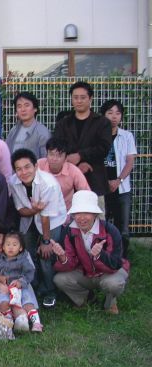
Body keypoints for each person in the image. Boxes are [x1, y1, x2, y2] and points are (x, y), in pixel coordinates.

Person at [52, 190, 129, 315]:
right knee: (59, 279)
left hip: (109, 272)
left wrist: (100, 255)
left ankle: (110, 303)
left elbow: (116, 263)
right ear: (73, 215)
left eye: (86, 213)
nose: (81, 218)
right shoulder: (69, 231)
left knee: (114, 284)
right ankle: (87, 300)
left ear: (95, 214)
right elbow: (71, 263)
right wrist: (62, 257)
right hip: (86, 272)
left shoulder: (110, 230)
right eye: (78, 213)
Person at [8, 148, 67, 308]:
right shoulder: (13, 182)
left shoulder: (49, 184)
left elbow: (46, 216)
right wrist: (35, 210)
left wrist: (46, 241)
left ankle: (50, 291)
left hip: (52, 220)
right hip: (29, 218)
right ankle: (33, 286)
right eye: (19, 169)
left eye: (27, 167)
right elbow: (21, 210)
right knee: (27, 252)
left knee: (46, 255)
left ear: (36, 166)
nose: (23, 172)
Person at [53, 81, 112, 210]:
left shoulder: (102, 122)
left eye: (83, 97)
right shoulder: (63, 124)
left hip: (95, 181)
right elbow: (57, 147)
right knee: (68, 219)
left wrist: (81, 156)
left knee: (96, 217)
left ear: (90, 98)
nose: (79, 101)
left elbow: (104, 148)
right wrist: (76, 165)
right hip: (68, 183)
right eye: (75, 97)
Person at [100, 99, 137, 258]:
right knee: (102, 225)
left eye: (117, 113)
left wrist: (118, 180)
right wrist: (105, 182)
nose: (114, 116)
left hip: (122, 188)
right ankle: (104, 257)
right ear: (103, 115)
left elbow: (130, 162)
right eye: (110, 113)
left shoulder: (127, 136)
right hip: (101, 187)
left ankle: (122, 259)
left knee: (123, 228)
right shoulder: (98, 136)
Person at [0, 230, 43, 333]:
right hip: (6, 288)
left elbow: (30, 272)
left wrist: (21, 282)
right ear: (3, 247)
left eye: (14, 245)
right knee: (3, 303)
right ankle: (8, 321)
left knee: (27, 303)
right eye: (8, 244)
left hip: (20, 288)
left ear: (20, 248)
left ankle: (36, 323)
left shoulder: (23, 259)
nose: (11, 247)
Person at [37, 137, 90, 211]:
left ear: (66, 158)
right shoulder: (38, 165)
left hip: (66, 211)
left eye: (59, 155)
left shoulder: (73, 170)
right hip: (40, 209)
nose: (54, 159)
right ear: (46, 154)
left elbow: (86, 193)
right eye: (51, 154)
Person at [5, 92, 51, 158]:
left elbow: (46, 159)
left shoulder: (42, 133)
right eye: (19, 106)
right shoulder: (13, 130)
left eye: (27, 105)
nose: (23, 109)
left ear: (35, 109)